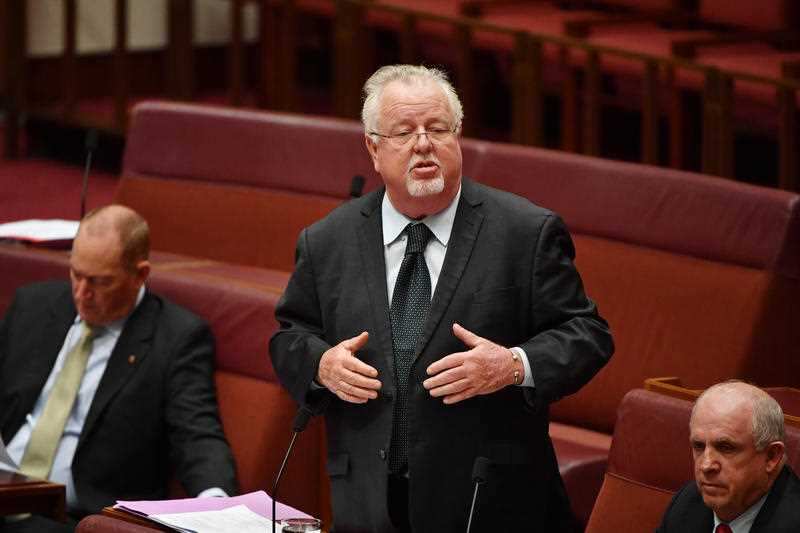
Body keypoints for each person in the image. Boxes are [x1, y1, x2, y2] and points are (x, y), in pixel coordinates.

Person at [270, 64, 613, 532]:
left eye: (437, 128)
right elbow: (291, 336)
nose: (423, 144)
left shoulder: (524, 232)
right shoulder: (328, 240)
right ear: (373, 147)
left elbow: (588, 335)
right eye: (403, 133)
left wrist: (514, 365)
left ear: (458, 136)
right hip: (370, 500)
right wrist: (320, 365)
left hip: (489, 500)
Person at [0, 205, 237, 531]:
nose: (81, 294)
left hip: (72, 517)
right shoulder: (32, 305)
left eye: (99, 282)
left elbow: (196, 435)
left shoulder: (175, 338)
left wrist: (217, 509)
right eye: (76, 274)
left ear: (140, 274)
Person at [657, 381, 800, 533]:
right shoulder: (687, 503)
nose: (706, 465)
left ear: (771, 456)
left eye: (726, 448)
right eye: (699, 446)